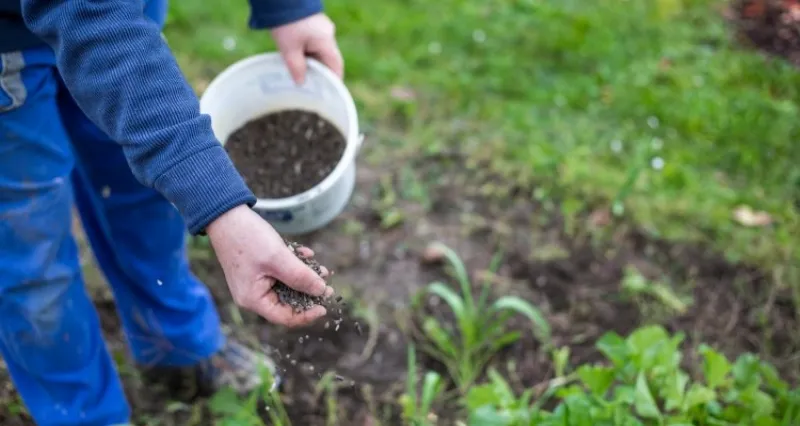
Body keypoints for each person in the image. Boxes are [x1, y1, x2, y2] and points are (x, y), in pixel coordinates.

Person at [0, 0, 344, 423]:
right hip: (16, 43)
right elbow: (92, 21)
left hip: (123, 18)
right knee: (31, 253)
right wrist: (222, 210)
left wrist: (289, 8)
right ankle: (82, 413)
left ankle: (177, 346)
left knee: (143, 190)